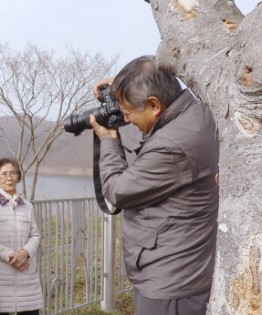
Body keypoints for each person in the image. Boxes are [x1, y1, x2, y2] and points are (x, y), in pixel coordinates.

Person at [89, 55, 219, 315]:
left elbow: (117, 191)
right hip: (181, 271)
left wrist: (108, 140)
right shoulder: (196, 114)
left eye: (128, 114)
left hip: (170, 282)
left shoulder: (171, 144)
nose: (127, 120)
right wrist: (125, 86)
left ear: (154, 104)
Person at [0, 158, 44, 315]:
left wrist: (25, 253)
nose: (9, 177)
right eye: (4, 174)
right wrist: (12, 256)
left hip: (26, 274)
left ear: (18, 176)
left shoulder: (27, 206)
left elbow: (35, 235)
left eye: (13, 173)